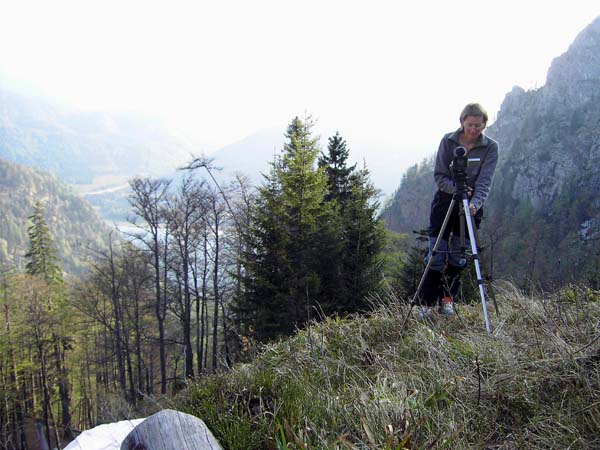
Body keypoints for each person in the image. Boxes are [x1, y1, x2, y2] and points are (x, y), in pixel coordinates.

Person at [419, 103, 498, 320]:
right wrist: (457, 189)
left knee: (457, 256)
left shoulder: (490, 147)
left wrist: (476, 203)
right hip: (445, 202)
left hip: (470, 207)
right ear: (462, 122)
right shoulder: (448, 141)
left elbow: (485, 180)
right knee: (436, 253)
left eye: (478, 126)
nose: (473, 130)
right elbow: (439, 176)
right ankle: (425, 303)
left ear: (484, 125)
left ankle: (447, 300)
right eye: (470, 124)